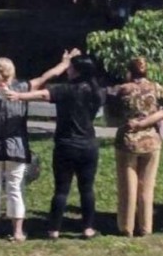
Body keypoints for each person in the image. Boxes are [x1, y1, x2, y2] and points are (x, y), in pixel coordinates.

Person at [0, 50, 78, 242]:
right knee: (15, 189)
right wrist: (65, 63)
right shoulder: (21, 89)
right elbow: (46, 76)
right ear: (12, 73)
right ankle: (18, 231)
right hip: (17, 146)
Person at [7, 53, 102, 240]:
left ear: (77, 71)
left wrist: (19, 96)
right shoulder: (95, 91)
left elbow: (43, 94)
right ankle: (88, 229)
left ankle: (54, 230)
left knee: (61, 189)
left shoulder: (66, 89)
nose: (68, 70)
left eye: (71, 67)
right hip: (88, 145)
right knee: (87, 189)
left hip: (66, 145)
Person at [108, 57, 163, 237]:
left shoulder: (122, 89)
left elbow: (110, 108)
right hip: (151, 142)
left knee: (127, 187)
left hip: (127, 142)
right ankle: (146, 227)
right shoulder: (155, 87)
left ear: (130, 72)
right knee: (147, 187)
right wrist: (158, 115)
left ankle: (126, 227)